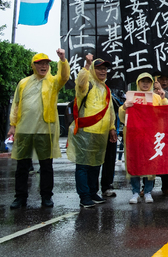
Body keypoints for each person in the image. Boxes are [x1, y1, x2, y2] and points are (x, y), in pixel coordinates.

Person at [8, 50, 69, 209]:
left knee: (46, 166)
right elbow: (16, 104)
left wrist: (62, 60)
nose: (44, 66)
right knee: (22, 166)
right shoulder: (23, 83)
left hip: (45, 129)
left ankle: (46, 196)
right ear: (33, 65)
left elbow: (64, 77)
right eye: (40, 63)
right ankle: (20, 197)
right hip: (24, 130)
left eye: (46, 63)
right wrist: (13, 125)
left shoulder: (53, 82)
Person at [66, 55, 117, 208]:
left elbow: (110, 111)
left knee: (96, 164)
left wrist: (112, 128)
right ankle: (84, 196)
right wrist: (87, 66)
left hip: (101, 134)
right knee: (83, 165)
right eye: (99, 68)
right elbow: (80, 82)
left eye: (105, 68)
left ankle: (93, 192)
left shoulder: (106, 88)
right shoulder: (87, 85)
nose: (103, 71)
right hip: (85, 131)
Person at [120, 73, 168, 204]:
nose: (145, 84)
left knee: (150, 165)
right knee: (134, 163)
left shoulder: (157, 98)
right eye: (143, 81)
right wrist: (125, 107)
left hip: (151, 136)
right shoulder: (131, 97)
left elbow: (166, 113)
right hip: (134, 136)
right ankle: (135, 192)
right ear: (138, 82)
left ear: (152, 83)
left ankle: (148, 191)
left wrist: (163, 99)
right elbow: (122, 114)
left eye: (148, 81)